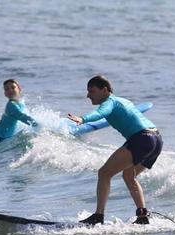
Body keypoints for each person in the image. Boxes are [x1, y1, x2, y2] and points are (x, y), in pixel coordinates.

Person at [67, 75, 163, 225]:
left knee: (104, 173)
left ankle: (98, 216)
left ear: (104, 90)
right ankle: (142, 215)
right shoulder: (123, 100)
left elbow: (100, 113)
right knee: (129, 176)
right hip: (156, 140)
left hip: (142, 138)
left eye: (91, 91)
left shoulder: (109, 102)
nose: (87, 95)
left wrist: (82, 119)